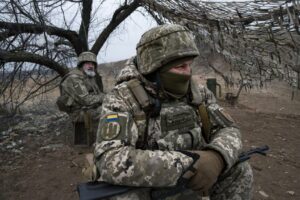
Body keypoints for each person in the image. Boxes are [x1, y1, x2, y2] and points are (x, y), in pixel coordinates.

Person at [90, 24, 253, 199]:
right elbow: (110, 159)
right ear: (154, 68)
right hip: (152, 184)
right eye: (180, 66)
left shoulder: (198, 93)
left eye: (190, 65)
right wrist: (188, 164)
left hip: (195, 180)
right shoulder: (122, 98)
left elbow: (229, 128)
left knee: (239, 169)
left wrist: (218, 156)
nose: (188, 73)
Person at [57, 51, 105, 145]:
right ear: (81, 65)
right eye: (87, 63)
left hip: (89, 109)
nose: (90, 66)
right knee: (108, 111)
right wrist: (104, 97)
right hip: (79, 112)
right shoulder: (74, 79)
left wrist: (105, 97)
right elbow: (86, 100)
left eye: (92, 64)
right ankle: (102, 142)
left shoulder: (89, 77)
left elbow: (98, 95)